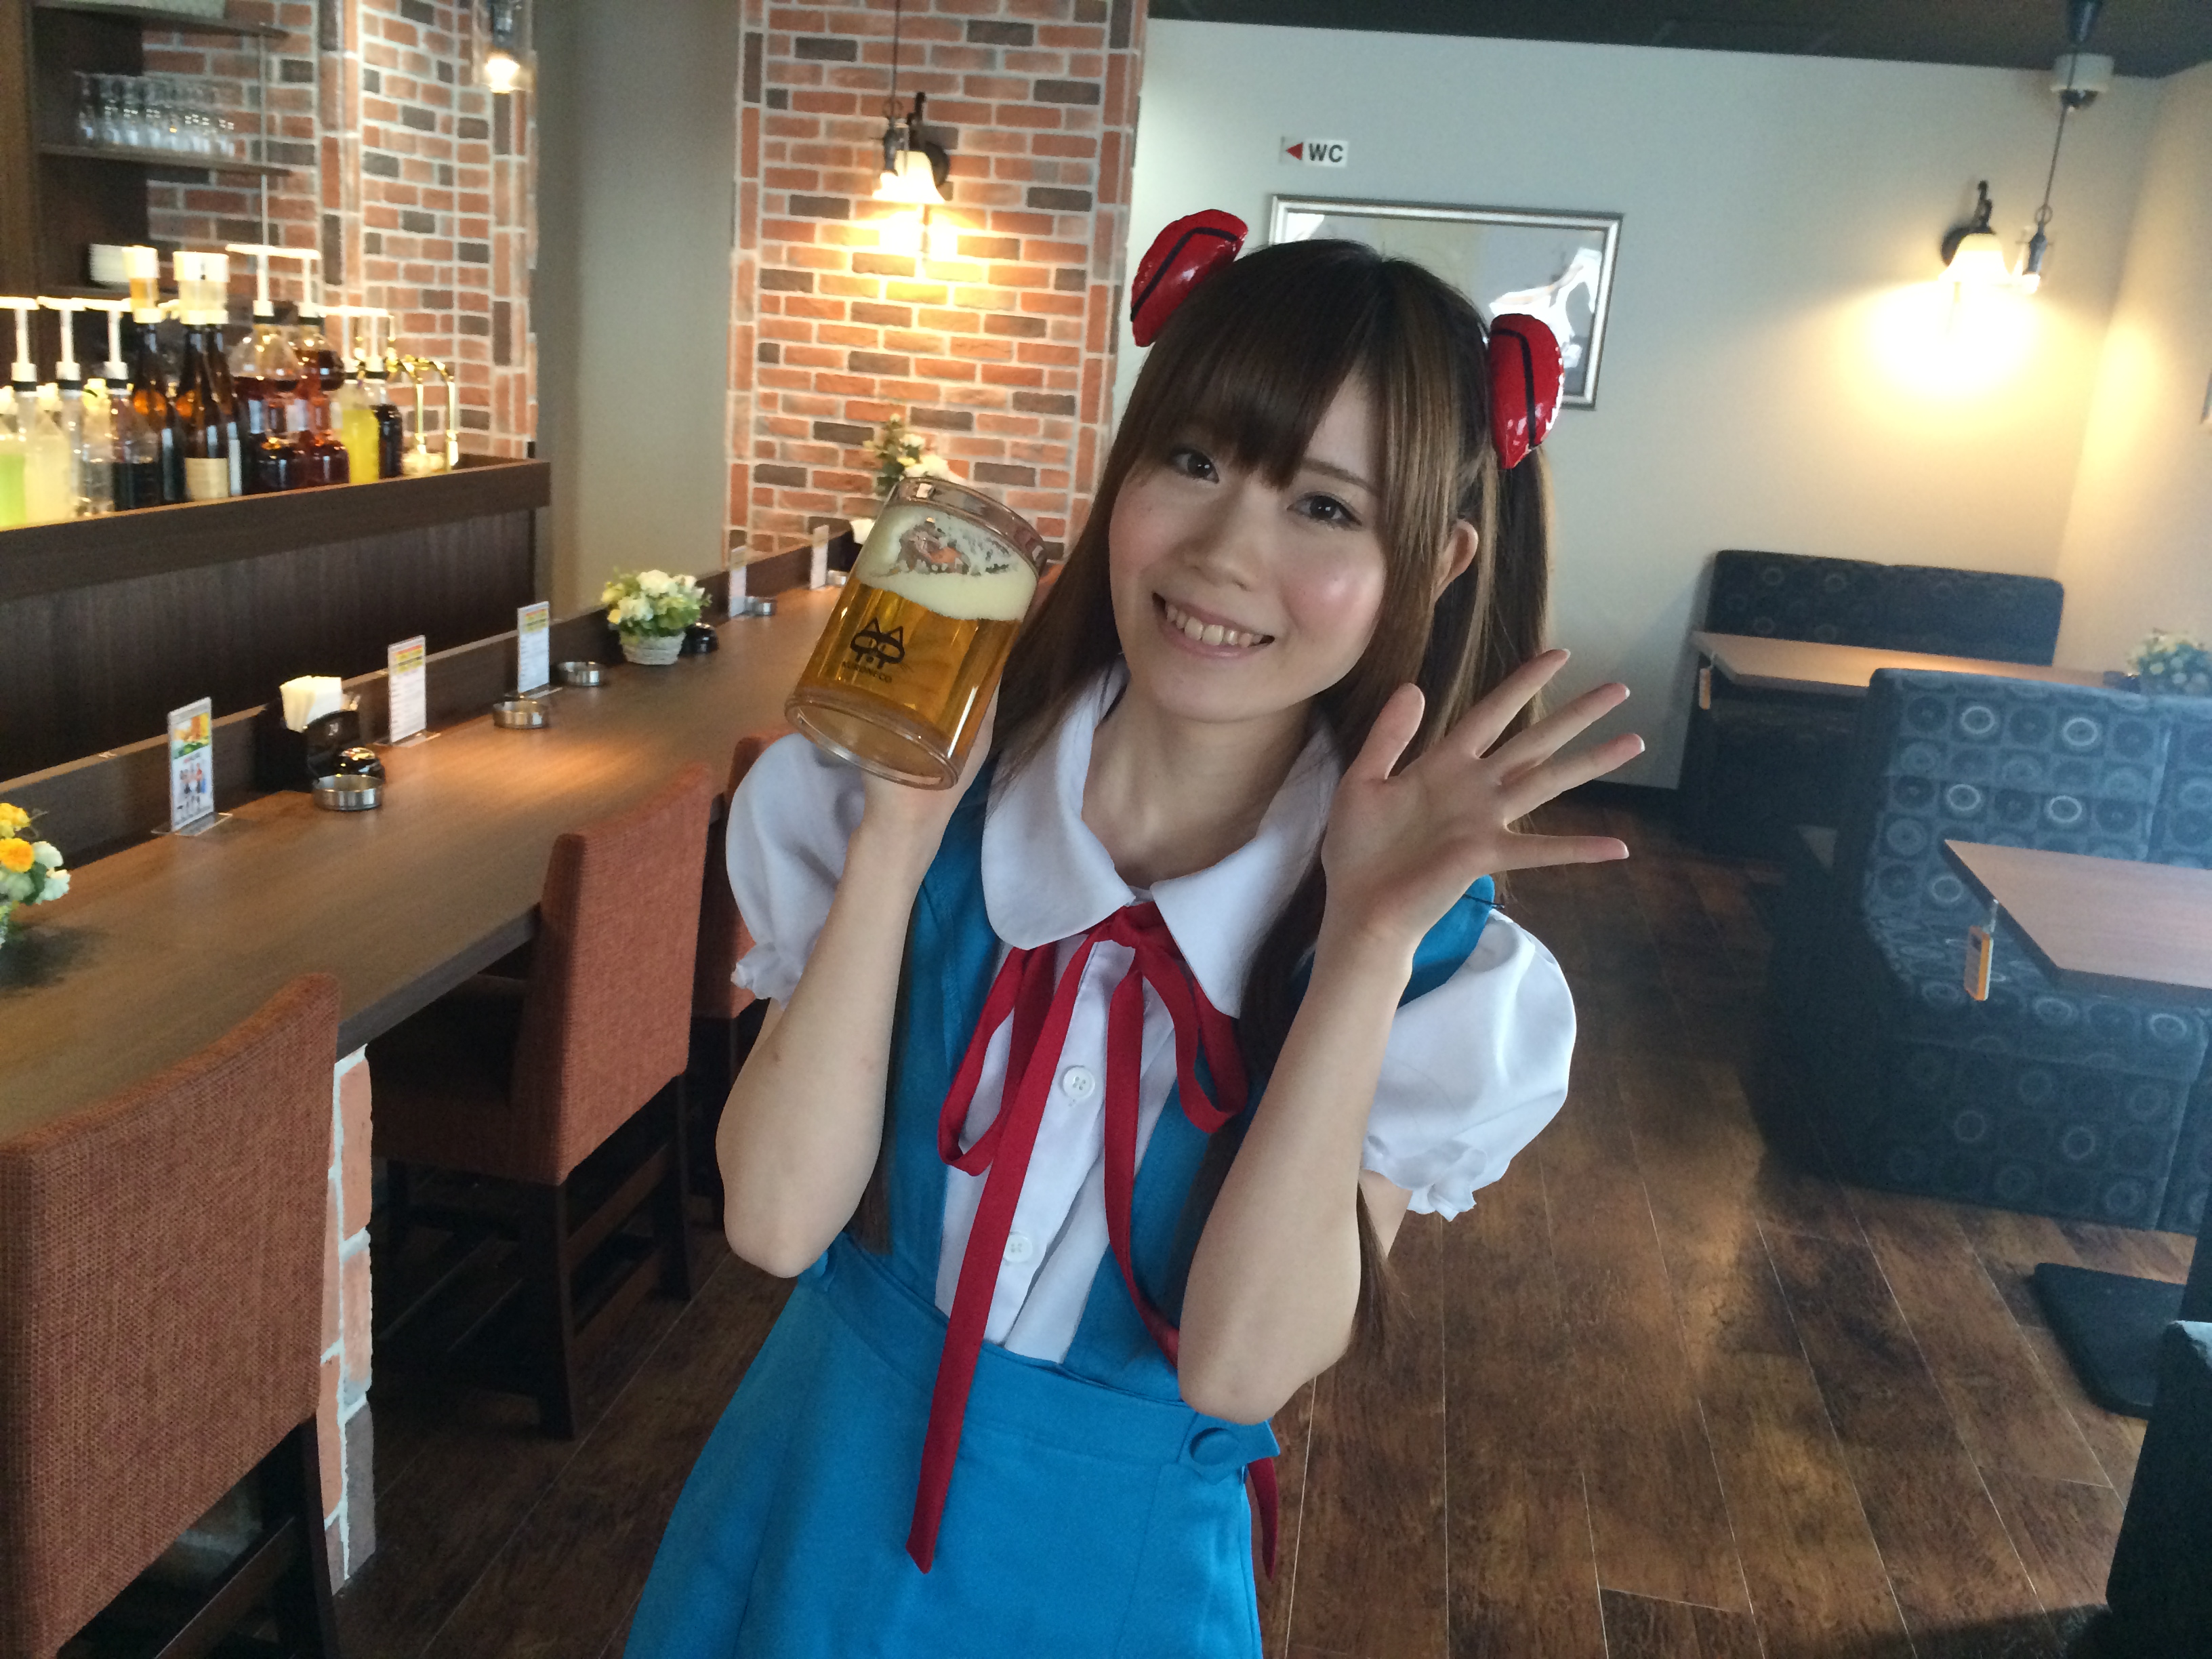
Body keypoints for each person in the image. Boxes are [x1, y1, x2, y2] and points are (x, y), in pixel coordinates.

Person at [625, 229, 1643, 1658]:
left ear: (1436, 559)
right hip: (802, 1513)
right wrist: (902, 833)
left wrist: (1362, 944)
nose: (1225, 555)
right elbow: (776, 1225)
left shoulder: (1436, 975)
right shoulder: (903, 808)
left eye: (1325, 508)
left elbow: (1237, 1369)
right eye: (1195, 461)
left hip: (1115, 1591)